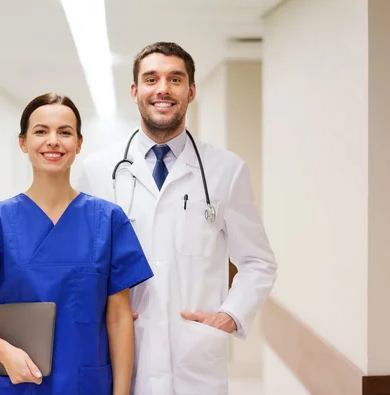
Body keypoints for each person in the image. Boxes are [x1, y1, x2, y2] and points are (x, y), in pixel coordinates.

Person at [76, 42, 278, 395]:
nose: (163, 89)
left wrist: (230, 315)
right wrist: (99, 308)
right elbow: (78, 262)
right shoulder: (98, 171)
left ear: (191, 91)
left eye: (175, 79)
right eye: (151, 79)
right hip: (122, 355)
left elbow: (258, 261)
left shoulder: (225, 170)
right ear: (135, 91)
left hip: (195, 363)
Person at [0, 92, 154, 395]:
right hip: (21, 384)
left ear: (79, 144)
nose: (53, 141)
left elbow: (119, 317)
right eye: (41, 131)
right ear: (23, 142)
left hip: (88, 383)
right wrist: (5, 352)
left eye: (65, 132)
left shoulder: (109, 220)